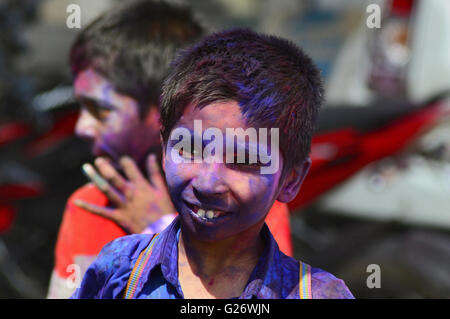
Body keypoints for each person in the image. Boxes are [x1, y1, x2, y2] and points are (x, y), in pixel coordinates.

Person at [71, 28, 354, 299]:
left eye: (243, 160)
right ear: (164, 147)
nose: (208, 183)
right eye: (188, 149)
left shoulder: (317, 294)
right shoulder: (119, 273)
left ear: (290, 180)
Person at [47, 1, 293, 298]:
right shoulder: (91, 206)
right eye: (80, 106)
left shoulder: (252, 203)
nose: (81, 127)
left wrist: (161, 227)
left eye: (100, 109)